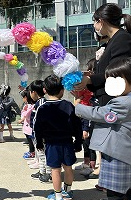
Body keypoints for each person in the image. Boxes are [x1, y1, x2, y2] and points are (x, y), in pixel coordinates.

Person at [75, 57, 131, 200]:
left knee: (116, 192)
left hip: (118, 154)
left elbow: (102, 114)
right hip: (120, 152)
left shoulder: (125, 102)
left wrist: (78, 107)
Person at [34, 74, 82, 200]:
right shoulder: (68, 106)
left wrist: (39, 143)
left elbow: (37, 128)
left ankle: (58, 195)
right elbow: (77, 125)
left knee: (55, 170)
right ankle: (68, 191)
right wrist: (78, 142)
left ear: (44, 90)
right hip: (67, 142)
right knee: (68, 168)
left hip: (51, 144)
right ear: (62, 90)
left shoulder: (42, 108)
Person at [74, 3, 131, 106]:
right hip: (105, 98)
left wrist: (90, 79)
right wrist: (90, 76)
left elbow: (117, 72)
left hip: (115, 101)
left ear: (100, 21)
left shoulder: (122, 39)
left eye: (94, 21)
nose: (94, 26)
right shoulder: (111, 41)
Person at [28, 80, 52, 183]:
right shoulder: (38, 102)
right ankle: (42, 172)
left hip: (41, 134)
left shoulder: (41, 102)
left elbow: (40, 120)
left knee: (44, 155)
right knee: (41, 155)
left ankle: (49, 174)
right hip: (36, 133)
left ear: (34, 92)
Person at [18, 89, 38, 169]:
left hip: (30, 128)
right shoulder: (27, 105)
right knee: (31, 142)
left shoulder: (32, 105)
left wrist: (22, 118)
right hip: (27, 128)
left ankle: (33, 155)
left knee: (34, 143)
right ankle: (35, 157)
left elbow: (26, 114)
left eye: (23, 97)